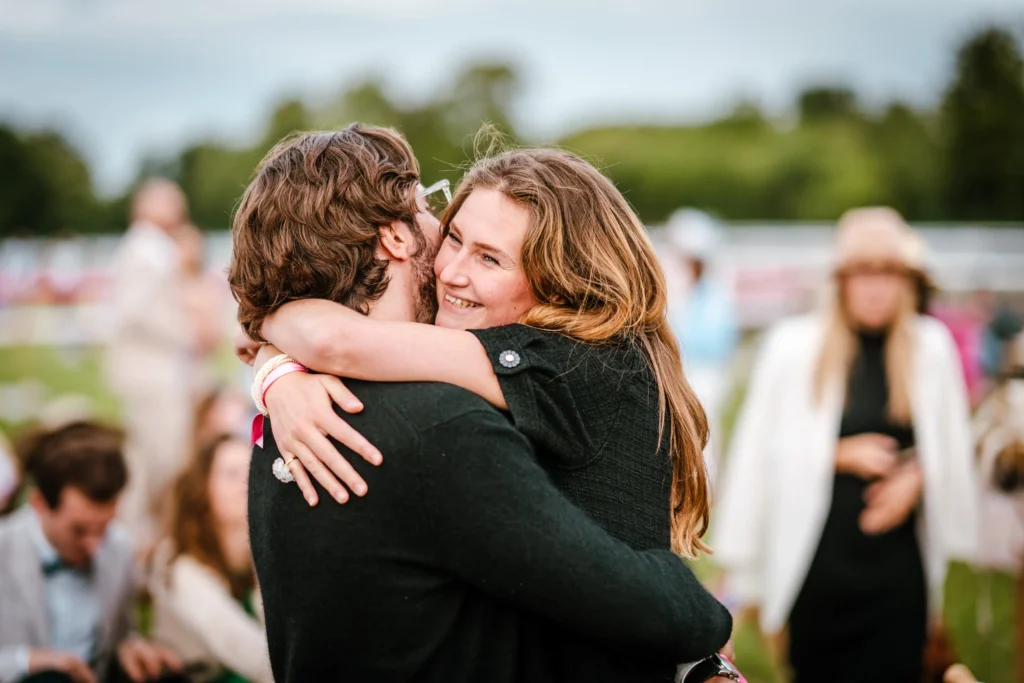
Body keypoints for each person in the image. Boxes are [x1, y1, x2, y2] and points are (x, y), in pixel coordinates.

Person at [229, 126, 736, 683]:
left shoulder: (579, 363)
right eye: (449, 232)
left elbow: (336, 340)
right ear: (393, 238)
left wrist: (271, 346)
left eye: (490, 258)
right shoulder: (434, 422)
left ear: (555, 278)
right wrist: (275, 363)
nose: (450, 269)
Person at [713, 208, 978, 682]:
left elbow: (952, 445)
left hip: (897, 575)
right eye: (863, 272)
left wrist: (918, 476)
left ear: (907, 280)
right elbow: (758, 453)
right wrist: (837, 455)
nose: (876, 287)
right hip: (818, 571)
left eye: (888, 272)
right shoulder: (794, 347)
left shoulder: (930, 348)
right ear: (841, 280)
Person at [0, 422, 184, 683]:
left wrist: (133, 648)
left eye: (103, 528)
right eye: (79, 530)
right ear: (39, 503)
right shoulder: (5, 547)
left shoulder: (118, 546)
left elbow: (121, 634)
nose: (95, 546)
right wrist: (27, 660)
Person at [105, 179, 196, 546]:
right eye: (171, 201)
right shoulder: (147, 249)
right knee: (162, 459)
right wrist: (185, 333)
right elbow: (135, 312)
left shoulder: (148, 246)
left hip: (153, 370)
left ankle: (141, 537)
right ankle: (149, 538)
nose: (180, 208)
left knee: (149, 459)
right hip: (151, 372)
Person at [149, 435, 272, 683]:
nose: (246, 482)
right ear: (203, 488)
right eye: (231, 474)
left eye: (252, 470)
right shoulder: (180, 565)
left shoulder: (259, 551)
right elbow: (254, 657)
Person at [664, 208, 740, 482]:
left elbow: (717, 343)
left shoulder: (715, 296)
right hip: (676, 372)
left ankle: (704, 484)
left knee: (705, 433)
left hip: (705, 375)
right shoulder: (672, 290)